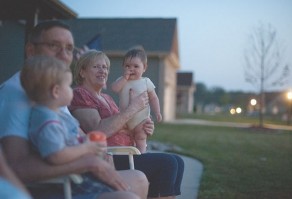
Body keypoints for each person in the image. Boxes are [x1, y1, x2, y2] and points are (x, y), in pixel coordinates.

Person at [0, 20, 148, 199]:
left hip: (78, 175)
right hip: (53, 185)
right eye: (54, 46)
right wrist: (89, 163)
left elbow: (77, 135)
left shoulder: (52, 92)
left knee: (139, 179)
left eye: (69, 48)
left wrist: (96, 150)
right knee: (128, 195)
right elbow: (17, 166)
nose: (63, 55)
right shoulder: (16, 92)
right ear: (31, 50)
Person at [69, 50, 184, 199]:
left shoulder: (107, 98)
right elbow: (97, 131)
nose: (103, 71)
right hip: (109, 156)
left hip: (128, 152)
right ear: (82, 72)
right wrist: (133, 108)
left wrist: (142, 129)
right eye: (97, 67)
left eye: (105, 67)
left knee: (177, 162)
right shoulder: (80, 94)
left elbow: (124, 125)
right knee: (167, 163)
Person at [111, 47, 162, 153]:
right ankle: (128, 156)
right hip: (124, 119)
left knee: (141, 138)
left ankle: (141, 156)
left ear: (144, 68)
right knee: (125, 139)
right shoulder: (122, 80)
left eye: (136, 66)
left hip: (141, 119)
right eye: (127, 66)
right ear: (123, 67)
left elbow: (153, 98)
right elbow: (114, 89)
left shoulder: (146, 82)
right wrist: (124, 78)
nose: (131, 69)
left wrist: (157, 112)